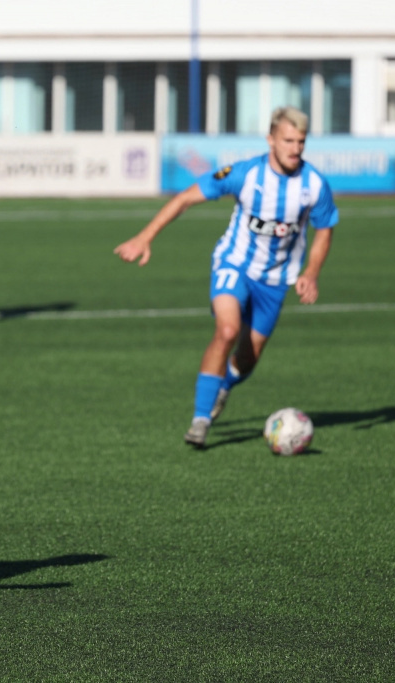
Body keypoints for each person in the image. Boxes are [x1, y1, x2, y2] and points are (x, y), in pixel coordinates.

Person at [114, 106, 339, 448]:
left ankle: (223, 386)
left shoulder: (315, 185)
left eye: (301, 142)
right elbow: (185, 198)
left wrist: (311, 272)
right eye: (288, 140)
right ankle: (200, 420)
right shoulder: (245, 174)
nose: (295, 149)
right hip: (234, 264)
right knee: (228, 330)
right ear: (271, 140)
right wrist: (145, 236)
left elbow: (325, 230)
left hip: (275, 281)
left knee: (248, 359)